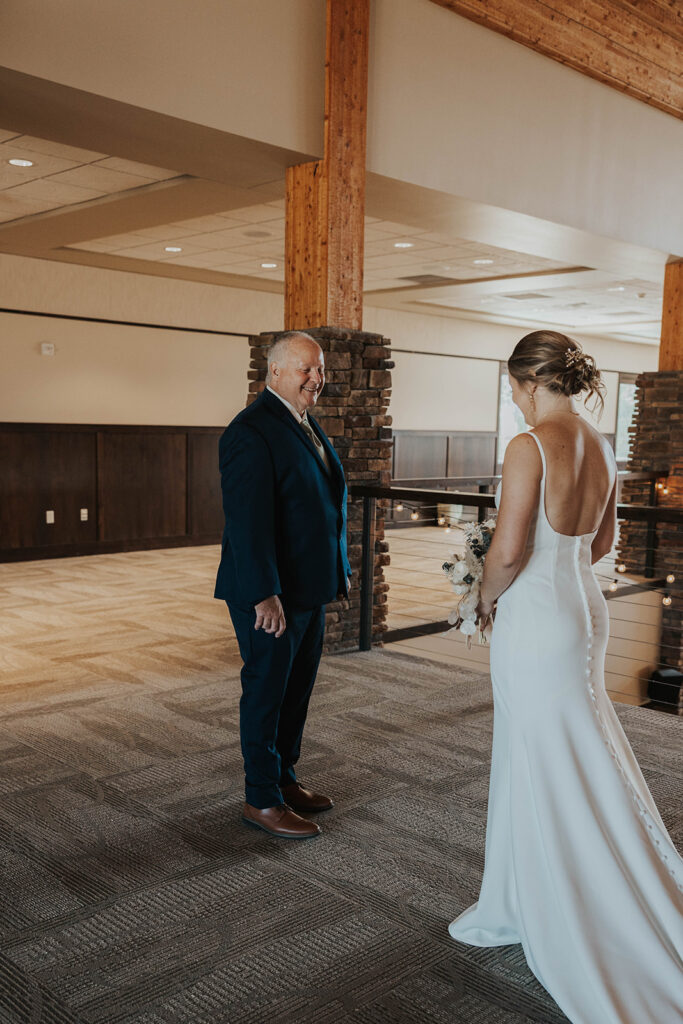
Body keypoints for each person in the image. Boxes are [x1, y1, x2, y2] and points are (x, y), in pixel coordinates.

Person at [448, 331, 683, 1022]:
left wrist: (481, 598)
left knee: (537, 749)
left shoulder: (528, 446)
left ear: (526, 382)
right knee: (577, 740)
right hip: (583, 607)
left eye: (513, 390)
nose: (515, 403)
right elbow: (603, 542)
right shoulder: (600, 444)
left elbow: (511, 546)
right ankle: (539, 889)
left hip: (537, 616)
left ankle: (556, 900)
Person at [215, 331, 351, 840]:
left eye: (320, 370)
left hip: (307, 588)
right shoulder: (251, 431)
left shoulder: (304, 423)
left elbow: (320, 506)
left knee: (296, 691)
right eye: (306, 369)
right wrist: (263, 593)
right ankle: (261, 800)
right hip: (268, 595)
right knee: (267, 691)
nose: (317, 378)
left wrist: (336, 572)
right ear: (274, 372)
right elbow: (247, 523)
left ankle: (284, 778)